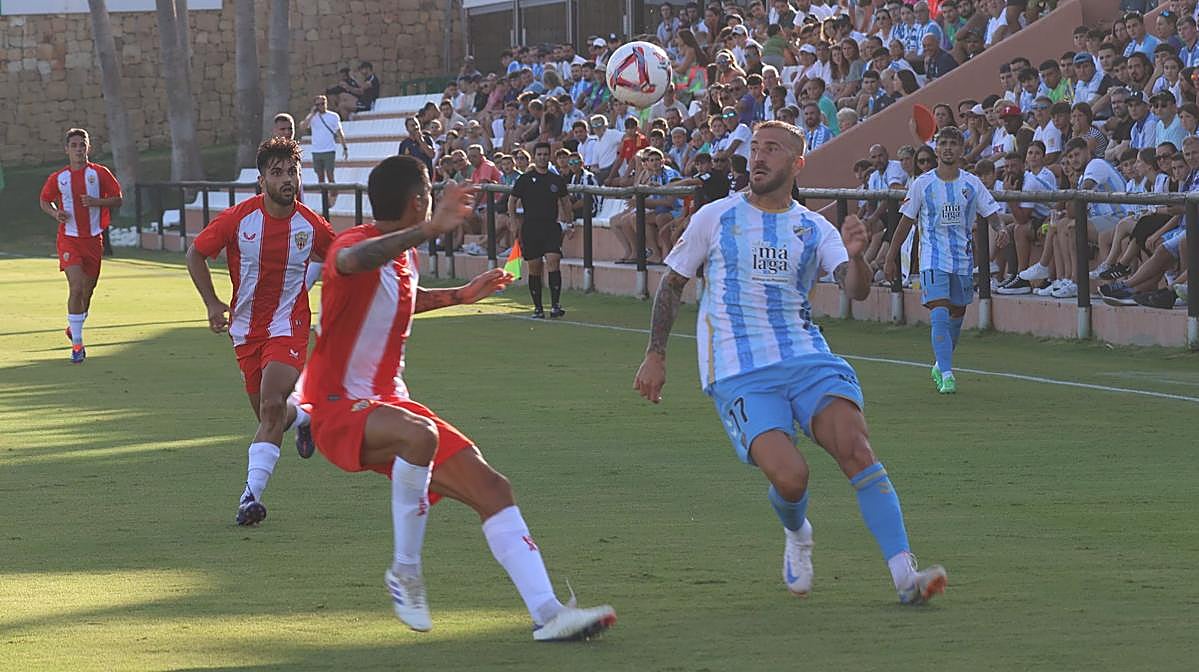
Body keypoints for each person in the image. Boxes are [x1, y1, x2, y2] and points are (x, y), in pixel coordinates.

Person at [633, 121, 948, 606]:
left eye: (772, 150)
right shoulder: (715, 217)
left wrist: (860, 257)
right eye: (755, 149)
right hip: (738, 369)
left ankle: (905, 574)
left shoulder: (814, 227)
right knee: (790, 476)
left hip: (805, 356)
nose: (758, 158)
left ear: (796, 164)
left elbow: (856, 288)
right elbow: (672, 284)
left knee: (857, 449)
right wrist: (655, 354)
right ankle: (798, 532)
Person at [300, 155, 616, 639]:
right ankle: (405, 571)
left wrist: (460, 295)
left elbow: (402, 296)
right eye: (429, 191)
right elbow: (348, 262)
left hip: (389, 404)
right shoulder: (355, 245)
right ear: (417, 201)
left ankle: (549, 613)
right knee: (420, 437)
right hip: (338, 406)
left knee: (493, 489)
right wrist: (429, 229)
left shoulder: (402, 255)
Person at [186, 137, 336, 525]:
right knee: (270, 416)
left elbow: (342, 258)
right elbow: (196, 253)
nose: (287, 179)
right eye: (278, 172)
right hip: (246, 330)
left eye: (292, 172)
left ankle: (249, 497)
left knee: (269, 406)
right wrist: (212, 303)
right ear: (261, 180)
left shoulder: (310, 224)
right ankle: (303, 418)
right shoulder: (238, 219)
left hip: (290, 325)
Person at [886, 127, 1005, 395]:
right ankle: (949, 375)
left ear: (962, 149)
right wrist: (891, 256)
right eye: (943, 144)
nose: (948, 148)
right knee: (938, 310)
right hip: (932, 258)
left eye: (953, 143)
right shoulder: (922, 184)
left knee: (956, 314)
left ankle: (941, 364)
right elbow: (906, 221)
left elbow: (992, 212)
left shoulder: (971, 184)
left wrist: (1002, 229)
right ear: (936, 149)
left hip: (962, 260)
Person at [38, 128, 123, 363]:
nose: (78, 149)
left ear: (88, 147)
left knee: (88, 290)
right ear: (67, 149)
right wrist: (57, 214)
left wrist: (97, 202)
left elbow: (118, 198)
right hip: (69, 239)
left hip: (94, 240)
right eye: (73, 145)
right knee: (76, 287)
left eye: (82, 145)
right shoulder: (59, 178)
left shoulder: (99, 174)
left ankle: (73, 327)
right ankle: (77, 345)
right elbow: (45, 200)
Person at [508, 142, 573, 319]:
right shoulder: (525, 179)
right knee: (535, 267)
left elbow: (565, 201)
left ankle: (555, 305)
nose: (543, 157)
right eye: (540, 154)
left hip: (551, 227)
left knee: (554, 260)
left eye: (546, 154)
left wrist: (569, 222)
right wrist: (513, 221)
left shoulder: (556, 180)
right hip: (530, 228)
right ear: (535, 157)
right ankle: (538, 308)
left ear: (549, 156)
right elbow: (512, 201)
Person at [301, 95, 349, 200]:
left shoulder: (333, 116)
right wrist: (311, 114)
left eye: (323, 103)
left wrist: (344, 147)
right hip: (316, 151)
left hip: (329, 150)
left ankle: (334, 196)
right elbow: (303, 126)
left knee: (330, 175)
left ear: (326, 103)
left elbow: (339, 132)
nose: (321, 106)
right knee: (320, 176)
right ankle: (324, 197)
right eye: (318, 104)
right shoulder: (313, 117)